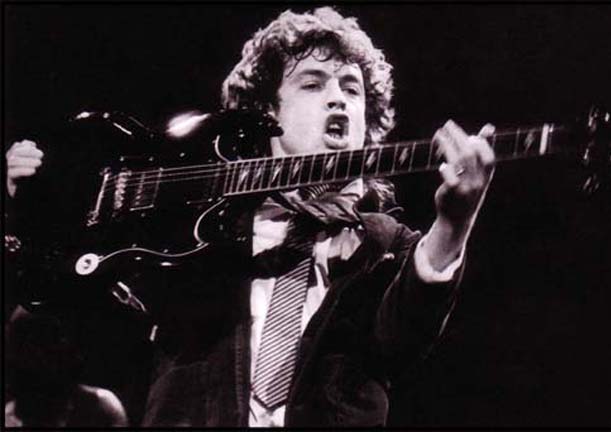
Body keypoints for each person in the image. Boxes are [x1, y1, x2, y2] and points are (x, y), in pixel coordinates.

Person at [5, 7, 495, 427]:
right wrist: (29, 202)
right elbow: (74, 315)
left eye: (353, 89)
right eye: (313, 83)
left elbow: (401, 341)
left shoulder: (388, 243)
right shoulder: (197, 225)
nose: (338, 97)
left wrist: (456, 222)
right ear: (266, 113)